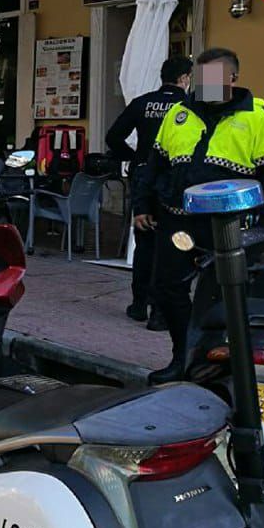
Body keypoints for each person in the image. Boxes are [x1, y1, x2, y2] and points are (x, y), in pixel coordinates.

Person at [133, 47, 264, 384]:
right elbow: (155, 164)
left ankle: (216, 360)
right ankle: (183, 355)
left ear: (232, 79)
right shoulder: (179, 113)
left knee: (223, 295)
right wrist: (142, 205)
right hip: (178, 221)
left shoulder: (256, 117)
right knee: (166, 289)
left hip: (229, 227)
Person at [106, 55, 192, 330]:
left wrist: (134, 158)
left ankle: (139, 304)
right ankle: (159, 311)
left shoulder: (142, 102)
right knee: (171, 246)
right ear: (185, 78)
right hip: (176, 181)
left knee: (145, 243)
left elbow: (113, 137)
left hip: (144, 178)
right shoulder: (188, 107)